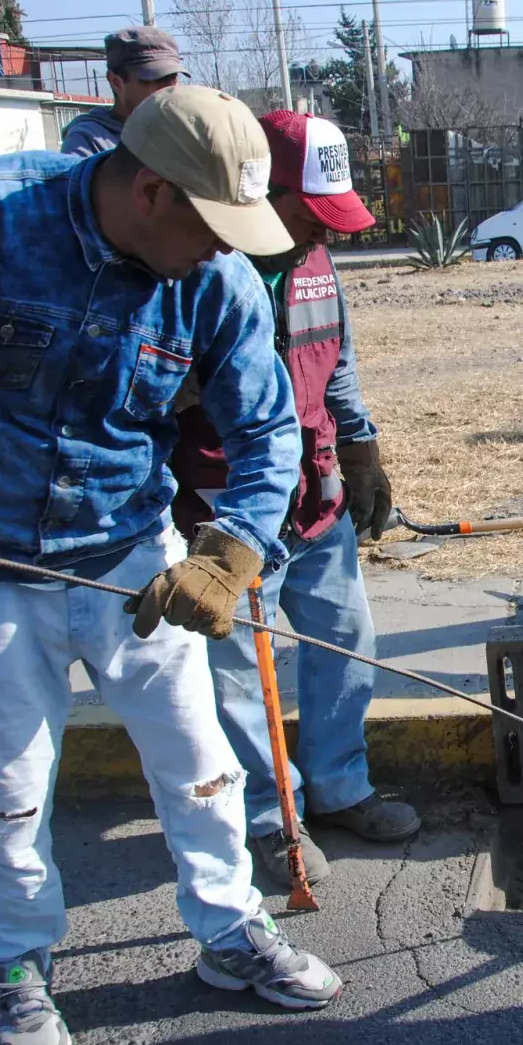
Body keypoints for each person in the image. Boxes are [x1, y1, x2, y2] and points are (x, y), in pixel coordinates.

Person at [0, 86, 346, 1045]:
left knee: (201, 764)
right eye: (212, 226)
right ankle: (18, 963)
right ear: (153, 192)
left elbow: (264, 431)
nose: (226, 249)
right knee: (9, 786)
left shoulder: (215, 280)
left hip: (132, 558)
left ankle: (228, 928)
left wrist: (234, 549)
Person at [170, 111, 418, 889]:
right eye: (311, 211)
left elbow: (333, 360)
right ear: (258, 189)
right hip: (229, 503)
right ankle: (273, 817)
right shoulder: (192, 265)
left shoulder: (315, 262)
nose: (324, 231)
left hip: (317, 496)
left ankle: (339, 784)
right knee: (242, 669)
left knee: (346, 636)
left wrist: (361, 445)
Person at [60, 26, 187, 157]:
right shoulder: (88, 140)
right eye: (156, 79)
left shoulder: (183, 131)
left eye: (173, 77)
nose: (170, 87)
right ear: (116, 82)